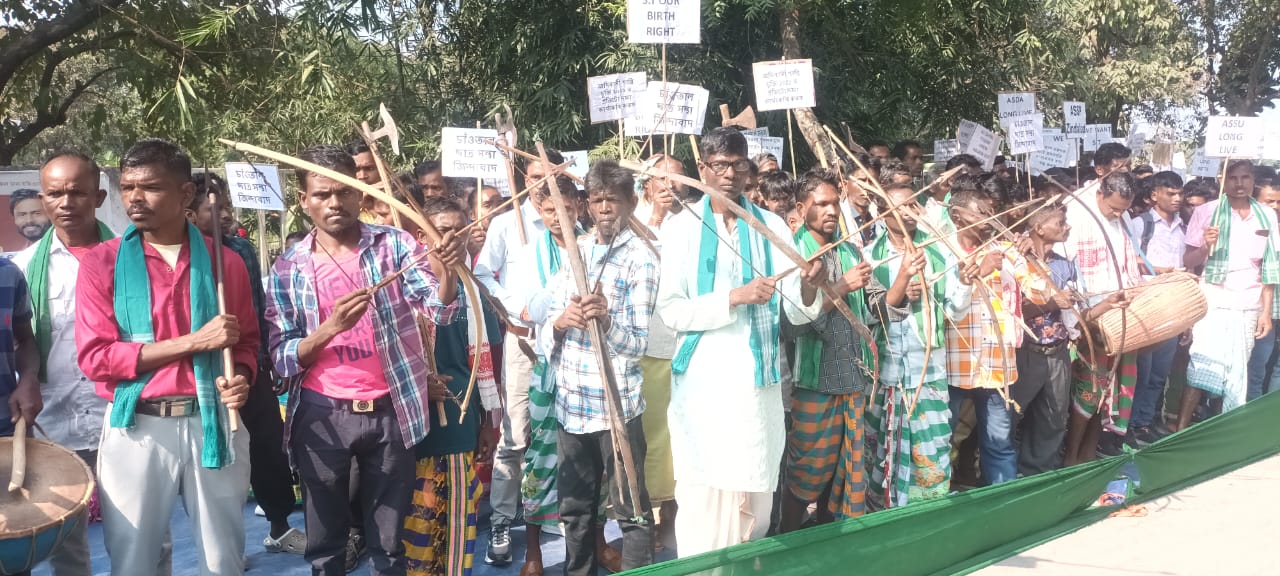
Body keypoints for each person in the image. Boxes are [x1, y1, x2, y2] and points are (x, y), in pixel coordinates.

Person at [265, 144, 463, 575]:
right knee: (325, 543)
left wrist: (449, 270)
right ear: (304, 201)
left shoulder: (394, 246)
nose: (334, 203)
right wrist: (329, 328)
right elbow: (280, 358)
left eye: (343, 191)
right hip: (322, 415)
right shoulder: (289, 267)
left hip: (391, 411)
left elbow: (438, 309)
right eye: (321, 194)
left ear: (360, 193)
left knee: (389, 544)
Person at [75, 138, 257, 575]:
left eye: (151, 187)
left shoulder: (224, 262)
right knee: (133, 560)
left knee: (222, 559)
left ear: (186, 194)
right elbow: (96, 358)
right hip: (137, 425)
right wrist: (194, 342)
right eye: (128, 187)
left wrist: (243, 379)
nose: (135, 198)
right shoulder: (103, 263)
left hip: (212, 420)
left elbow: (246, 342)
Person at [657, 127, 823, 556]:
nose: (729, 174)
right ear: (703, 169)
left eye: (737, 165)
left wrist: (810, 286)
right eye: (719, 165)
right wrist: (735, 297)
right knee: (703, 500)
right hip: (704, 390)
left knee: (757, 505)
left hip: (758, 391)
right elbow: (672, 311)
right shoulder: (681, 228)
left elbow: (797, 312)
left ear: (749, 169)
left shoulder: (770, 226)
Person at [539, 159, 660, 575]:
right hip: (572, 405)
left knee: (632, 508)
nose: (605, 208)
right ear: (586, 204)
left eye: (613, 199)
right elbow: (545, 324)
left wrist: (606, 320)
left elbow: (637, 343)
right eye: (597, 200)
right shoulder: (578, 250)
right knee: (575, 509)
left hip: (617, 408)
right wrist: (560, 323)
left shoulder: (642, 258)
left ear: (631, 201)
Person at [188, 172, 307, 554]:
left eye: (227, 206)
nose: (224, 215)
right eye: (214, 208)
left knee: (268, 447)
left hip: (251, 365)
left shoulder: (240, 250)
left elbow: (260, 309)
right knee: (219, 460)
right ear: (189, 213)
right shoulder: (187, 255)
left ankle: (279, 525)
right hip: (206, 376)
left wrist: (268, 358)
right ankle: (224, 544)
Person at [401, 196, 501, 576]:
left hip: (458, 422)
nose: (450, 239)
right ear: (421, 237)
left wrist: (487, 423)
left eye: (458, 230)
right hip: (412, 423)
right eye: (441, 230)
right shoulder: (405, 290)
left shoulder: (475, 290)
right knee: (416, 521)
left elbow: (486, 365)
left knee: (457, 522)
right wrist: (419, 385)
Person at [779, 169, 882, 532]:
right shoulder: (792, 254)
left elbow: (877, 304)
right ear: (800, 207)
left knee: (841, 475)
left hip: (852, 377)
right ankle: (787, 541)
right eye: (820, 204)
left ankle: (829, 542)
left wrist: (902, 286)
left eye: (835, 203)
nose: (830, 211)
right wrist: (837, 287)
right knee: (807, 473)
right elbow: (791, 326)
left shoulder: (851, 248)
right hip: (815, 381)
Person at [474, 149, 562, 566]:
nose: (542, 182)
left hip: (568, 345)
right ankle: (503, 519)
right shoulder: (507, 223)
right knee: (515, 435)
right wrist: (516, 307)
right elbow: (482, 273)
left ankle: (551, 512)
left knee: (563, 432)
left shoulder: (574, 225)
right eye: (534, 175)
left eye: (551, 174)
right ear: (523, 177)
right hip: (523, 340)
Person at [863, 183, 972, 508]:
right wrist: (900, 287)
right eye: (900, 207)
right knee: (881, 454)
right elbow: (869, 315)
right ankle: (883, 514)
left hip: (928, 373)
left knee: (932, 450)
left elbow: (954, 310)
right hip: (887, 374)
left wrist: (965, 283)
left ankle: (927, 512)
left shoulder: (937, 252)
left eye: (914, 205)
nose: (910, 212)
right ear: (882, 214)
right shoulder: (870, 257)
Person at [9, 151, 89, 576]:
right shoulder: (23, 267)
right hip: (53, 423)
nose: (66, 202)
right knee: (65, 544)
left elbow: (24, 339)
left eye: (77, 192)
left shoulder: (132, 260)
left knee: (144, 536)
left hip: (123, 416)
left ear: (98, 196)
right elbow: (26, 338)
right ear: (44, 199)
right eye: (55, 193)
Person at [1179, 160, 1278, 427]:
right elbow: (1189, 260)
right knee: (1201, 365)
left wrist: (1266, 312)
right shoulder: (1207, 212)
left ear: (1253, 180)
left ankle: (1221, 430)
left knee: (1237, 371)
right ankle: (1181, 431)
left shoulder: (1266, 215)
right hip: (1213, 300)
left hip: (1248, 304)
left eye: (1245, 177)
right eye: (1233, 178)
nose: (1239, 183)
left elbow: (1269, 267)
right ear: (1224, 179)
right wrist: (1205, 245)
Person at [1061, 172, 1143, 465]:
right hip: (1090, 315)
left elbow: (1129, 261)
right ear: (1100, 194)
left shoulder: (1124, 217)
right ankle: (1071, 455)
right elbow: (1063, 267)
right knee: (1089, 387)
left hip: (1121, 313)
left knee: (1108, 390)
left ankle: (1089, 451)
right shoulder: (1077, 213)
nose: (1118, 214)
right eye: (1113, 208)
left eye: (1124, 209)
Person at [1013, 206, 1076, 476]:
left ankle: (1037, 471)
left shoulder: (1064, 264)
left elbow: (1073, 310)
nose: (1067, 227)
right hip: (1026, 350)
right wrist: (1051, 302)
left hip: (1058, 350)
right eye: (1060, 223)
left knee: (1053, 417)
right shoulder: (1016, 260)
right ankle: (1001, 472)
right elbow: (1013, 309)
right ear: (1039, 228)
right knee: (1011, 415)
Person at [1124, 171, 1184, 447]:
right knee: (1142, 373)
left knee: (1159, 373)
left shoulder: (1182, 226)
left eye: (1179, 193)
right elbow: (1127, 257)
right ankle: (1129, 425)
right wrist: (1157, 270)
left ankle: (1144, 423)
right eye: (1170, 193)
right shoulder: (1141, 223)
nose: (1177, 198)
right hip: (1147, 306)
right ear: (1153, 195)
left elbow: (1188, 262)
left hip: (1173, 306)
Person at [837, 154, 882, 248]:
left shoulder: (881, 217)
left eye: (872, 182)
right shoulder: (838, 219)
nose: (867, 187)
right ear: (845, 185)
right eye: (861, 181)